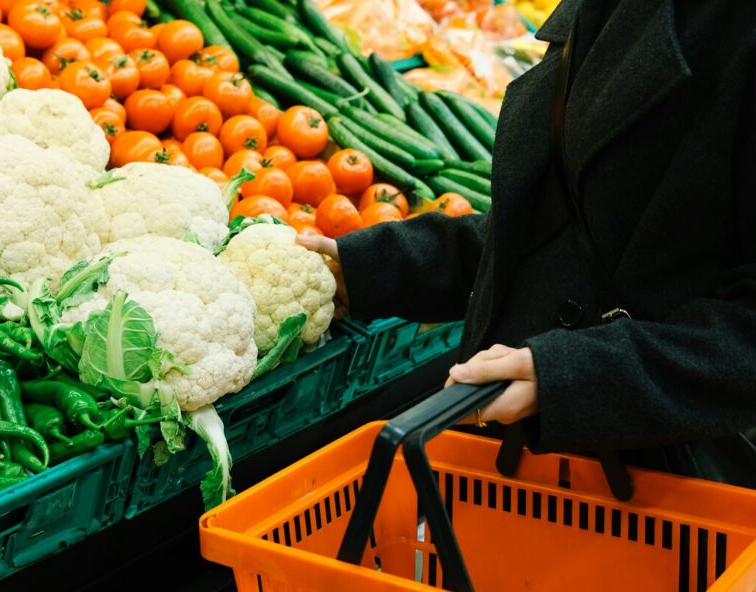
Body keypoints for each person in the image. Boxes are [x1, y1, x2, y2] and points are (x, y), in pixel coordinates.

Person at [298, 0, 756, 488]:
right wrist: (379, 265)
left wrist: (576, 375)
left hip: (654, 496)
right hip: (529, 472)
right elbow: (572, 231)